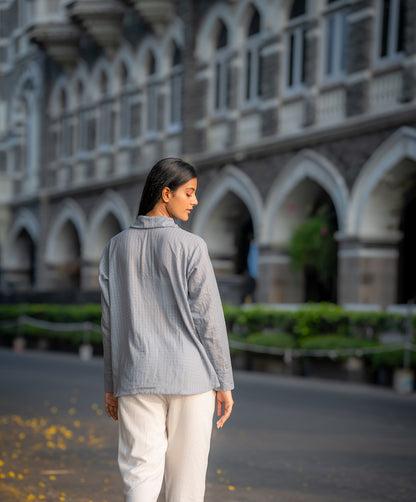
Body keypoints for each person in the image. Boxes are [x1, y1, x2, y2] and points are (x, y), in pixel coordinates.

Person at [99, 158, 234, 502]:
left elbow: (109, 322)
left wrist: (112, 384)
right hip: (192, 379)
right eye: (189, 193)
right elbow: (209, 320)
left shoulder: (115, 247)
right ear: (165, 193)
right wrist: (224, 382)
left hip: (136, 375)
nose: (194, 200)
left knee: (140, 476)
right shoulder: (191, 247)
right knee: (186, 484)